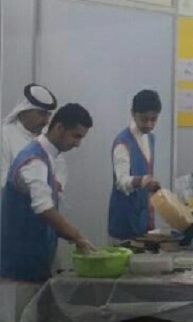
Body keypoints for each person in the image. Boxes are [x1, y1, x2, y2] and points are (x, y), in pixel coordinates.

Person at [1, 103, 95, 283]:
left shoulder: (48, 156)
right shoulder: (34, 161)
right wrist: (77, 236)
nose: (78, 144)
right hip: (18, 266)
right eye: (76, 136)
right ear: (59, 128)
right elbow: (44, 208)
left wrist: (70, 236)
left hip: (36, 261)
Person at [108, 90, 162, 241]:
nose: (149, 124)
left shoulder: (150, 138)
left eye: (154, 119)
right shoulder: (123, 142)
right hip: (124, 220)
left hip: (144, 216)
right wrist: (142, 181)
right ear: (133, 113)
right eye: (144, 119)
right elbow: (121, 182)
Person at [0, 84, 61, 188]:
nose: (46, 121)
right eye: (41, 114)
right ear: (24, 112)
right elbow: (3, 178)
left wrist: (58, 181)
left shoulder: (45, 134)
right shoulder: (4, 135)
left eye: (48, 115)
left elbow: (59, 163)